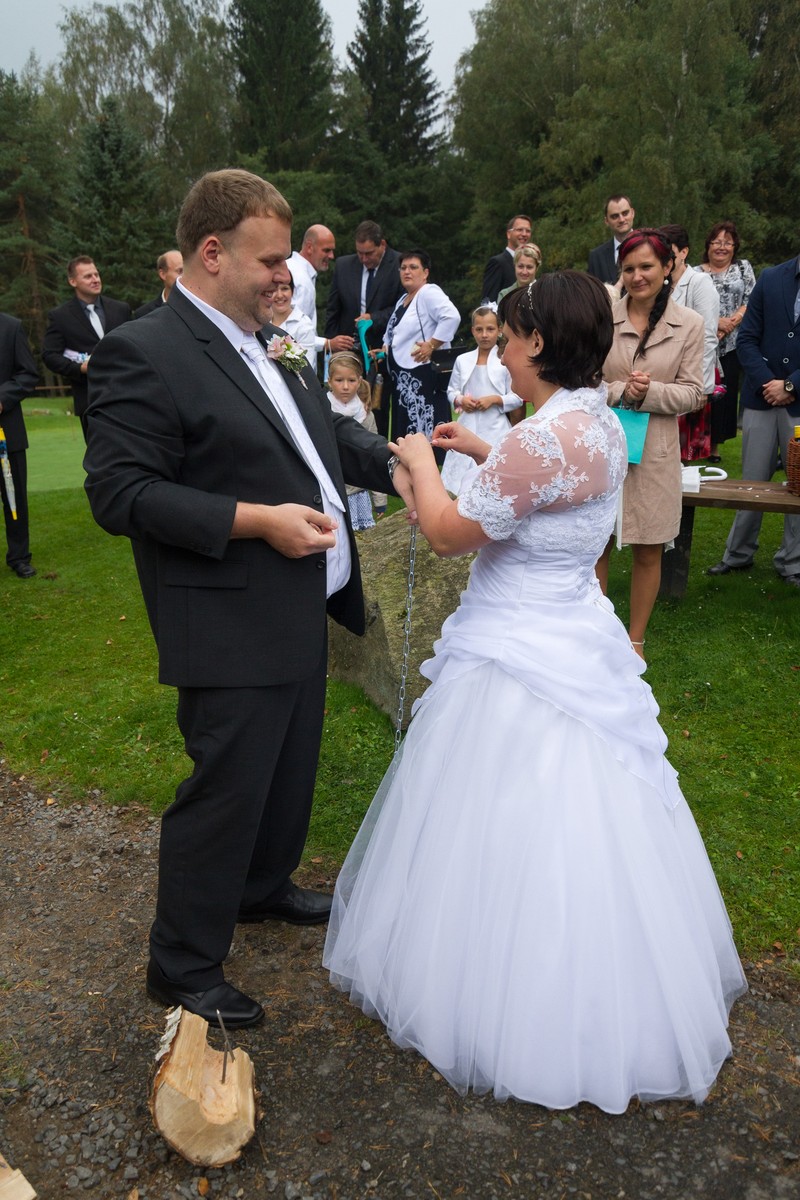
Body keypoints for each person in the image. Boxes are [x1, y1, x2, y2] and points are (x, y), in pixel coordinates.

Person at [324, 270, 746, 1113]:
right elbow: (562, 489)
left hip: (513, 649)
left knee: (496, 814)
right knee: (596, 808)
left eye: (512, 337)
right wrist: (486, 455)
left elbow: (448, 534)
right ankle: (613, 982)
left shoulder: (534, 443)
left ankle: (495, 990)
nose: (504, 350)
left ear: (540, 344)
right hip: (576, 634)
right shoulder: (597, 420)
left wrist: (420, 464)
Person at [83, 169, 412, 1030]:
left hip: (300, 607)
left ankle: (261, 887)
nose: (284, 276)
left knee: (287, 770)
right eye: (270, 261)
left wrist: (397, 462)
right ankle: (182, 963)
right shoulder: (145, 351)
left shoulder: (272, 343)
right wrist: (256, 521)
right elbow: (120, 494)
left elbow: (319, 436)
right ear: (211, 251)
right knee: (227, 788)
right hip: (227, 614)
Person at [596, 229, 704, 660]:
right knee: (595, 542)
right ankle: (595, 631)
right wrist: (619, 390)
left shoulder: (689, 324)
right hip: (602, 445)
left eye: (646, 267)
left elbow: (695, 393)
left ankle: (634, 640)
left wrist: (650, 393)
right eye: (629, 269)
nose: (637, 276)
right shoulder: (602, 318)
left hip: (655, 450)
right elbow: (584, 380)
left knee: (649, 546)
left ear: (668, 267)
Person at [706, 250, 800, 586]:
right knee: (752, 482)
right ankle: (738, 554)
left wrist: (791, 385)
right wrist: (767, 383)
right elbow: (746, 339)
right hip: (761, 399)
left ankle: (793, 563)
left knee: (799, 485)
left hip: (799, 403)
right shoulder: (772, 277)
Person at [42, 257, 132, 441]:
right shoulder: (60, 317)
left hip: (127, 396)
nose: (95, 279)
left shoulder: (121, 309)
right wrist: (79, 368)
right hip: (91, 401)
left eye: (96, 274)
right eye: (88, 276)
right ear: (72, 281)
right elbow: (50, 355)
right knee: (101, 456)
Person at [383, 249, 459, 454]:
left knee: (423, 422)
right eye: (403, 268)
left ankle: (428, 463)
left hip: (422, 373)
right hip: (404, 376)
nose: (407, 271)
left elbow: (451, 316)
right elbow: (397, 333)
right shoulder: (404, 298)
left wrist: (432, 344)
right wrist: (385, 348)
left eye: (413, 267)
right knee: (405, 425)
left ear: (425, 272)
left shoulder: (428, 292)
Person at [440, 305, 521, 495]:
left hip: (495, 427)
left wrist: (495, 399)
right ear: (472, 331)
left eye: (490, 329)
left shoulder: (504, 362)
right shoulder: (463, 360)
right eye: (479, 329)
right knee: (460, 470)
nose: (484, 335)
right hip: (467, 424)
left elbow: (517, 397)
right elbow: (451, 390)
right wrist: (461, 399)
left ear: (499, 330)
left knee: (492, 468)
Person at [660, 224, 720, 462]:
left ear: (684, 252)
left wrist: (702, 388)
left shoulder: (699, 282)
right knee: (663, 451)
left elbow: (708, 336)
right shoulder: (661, 284)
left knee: (684, 455)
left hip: (691, 379)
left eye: (670, 253)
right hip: (664, 380)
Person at [696, 221, 756, 458]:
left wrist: (732, 321)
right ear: (708, 245)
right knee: (702, 394)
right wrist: (715, 322)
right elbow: (690, 306)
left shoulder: (743, 268)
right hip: (702, 345)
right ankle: (696, 445)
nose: (722, 247)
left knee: (726, 396)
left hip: (732, 345)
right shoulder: (695, 273)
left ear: (734, 247)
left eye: (727, 243)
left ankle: (715, 447)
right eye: (717, 242)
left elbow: (752, 299)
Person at [325, 351, 387, 527]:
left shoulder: (365, 415)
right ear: (329, 381)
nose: (345, 386)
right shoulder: (321, 411)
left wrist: (380, 499)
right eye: (339, 380)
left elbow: (376, 455)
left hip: (357, 491)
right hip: (330, 490)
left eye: (351, 380)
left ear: (359, 381)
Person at [0, 313, 39, 578]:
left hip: (6, 431)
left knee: (13, 497)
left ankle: (19, 556)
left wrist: (2, 398)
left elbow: (27, 374)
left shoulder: (10, 327)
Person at [481, 214, 532, 303]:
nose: (524, 234)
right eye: (519, 230)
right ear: (509, 234)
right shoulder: (497, 263)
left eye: (528, 231)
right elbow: (489, 301)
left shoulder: (531, 264)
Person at [587, 194, 636, 285]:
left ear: (632, 213)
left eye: (625, 213)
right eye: (615, 216)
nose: (621, 220)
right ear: (606, 221)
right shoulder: (596, 257)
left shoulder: (649, 246)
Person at [270, 276, 317, 362]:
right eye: (274, 290)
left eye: (284, 289)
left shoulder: (304, 325)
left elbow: (307, 365)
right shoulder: (261, 321)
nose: (279, 295)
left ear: (292, 291)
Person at [134, 250, 184, 318]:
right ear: (163, 274)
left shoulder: (196, 306)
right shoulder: (144, 313)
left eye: (188, 271)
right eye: (180, 271)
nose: (186, 276)